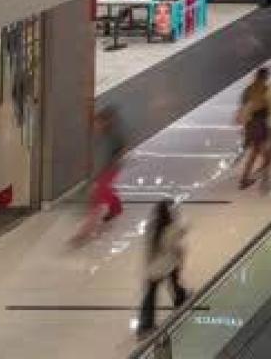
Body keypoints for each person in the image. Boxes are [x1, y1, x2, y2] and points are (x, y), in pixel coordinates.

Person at [135, 200, 188, 334]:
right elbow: (177, 244)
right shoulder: (171, 229)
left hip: (153, 267)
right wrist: (181, 259)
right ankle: (145, 325)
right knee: (154, 294)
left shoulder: (151, 227)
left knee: (152, 294)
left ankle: (180, 297)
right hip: (167, 265)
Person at [74, 107, 126, 244]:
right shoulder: (103, 137)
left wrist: (108, 168)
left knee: (97, 197)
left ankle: (85, 232)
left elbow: (116, 153)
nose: (96, 126)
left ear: (106, 122)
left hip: (108, 170)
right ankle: (116, 208)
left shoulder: (112, 137)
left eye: (98, 122)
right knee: (103, 194)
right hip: (104, 171)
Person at [236, 67, 270, 189]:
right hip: (260, 124)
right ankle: (245, 179)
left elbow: (244, 107)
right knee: (258, 151)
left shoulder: (248, 90)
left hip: (251, 124)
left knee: (258, 150)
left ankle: (261, 170)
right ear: (265, 77)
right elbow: (268, 107)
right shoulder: (265, 89)